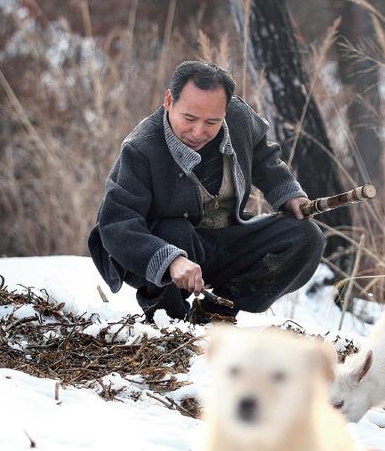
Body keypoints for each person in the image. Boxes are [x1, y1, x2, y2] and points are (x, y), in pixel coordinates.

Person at [88, 60, 325, 322]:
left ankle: (218, 311)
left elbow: (262, 154)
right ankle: (170, 319)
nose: (199, 132)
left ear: (226, 110)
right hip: (162, 247)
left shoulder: (239, 117)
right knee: (173, 231)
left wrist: (288, 193)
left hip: (223, 237)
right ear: (169, 101)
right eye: (189, 118)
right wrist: (171, 261)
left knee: (306, 236)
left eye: (212, 121)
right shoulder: (140, 148)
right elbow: (116, 224)